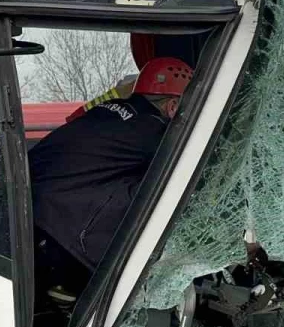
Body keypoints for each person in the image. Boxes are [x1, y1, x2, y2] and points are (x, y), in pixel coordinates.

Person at [28, 56, 192, 302]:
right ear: (172, 107)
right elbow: (188, 176)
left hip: (25, 220)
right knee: (157, 189)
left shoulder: (104, 111)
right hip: (61, 243)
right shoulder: (153, 131)